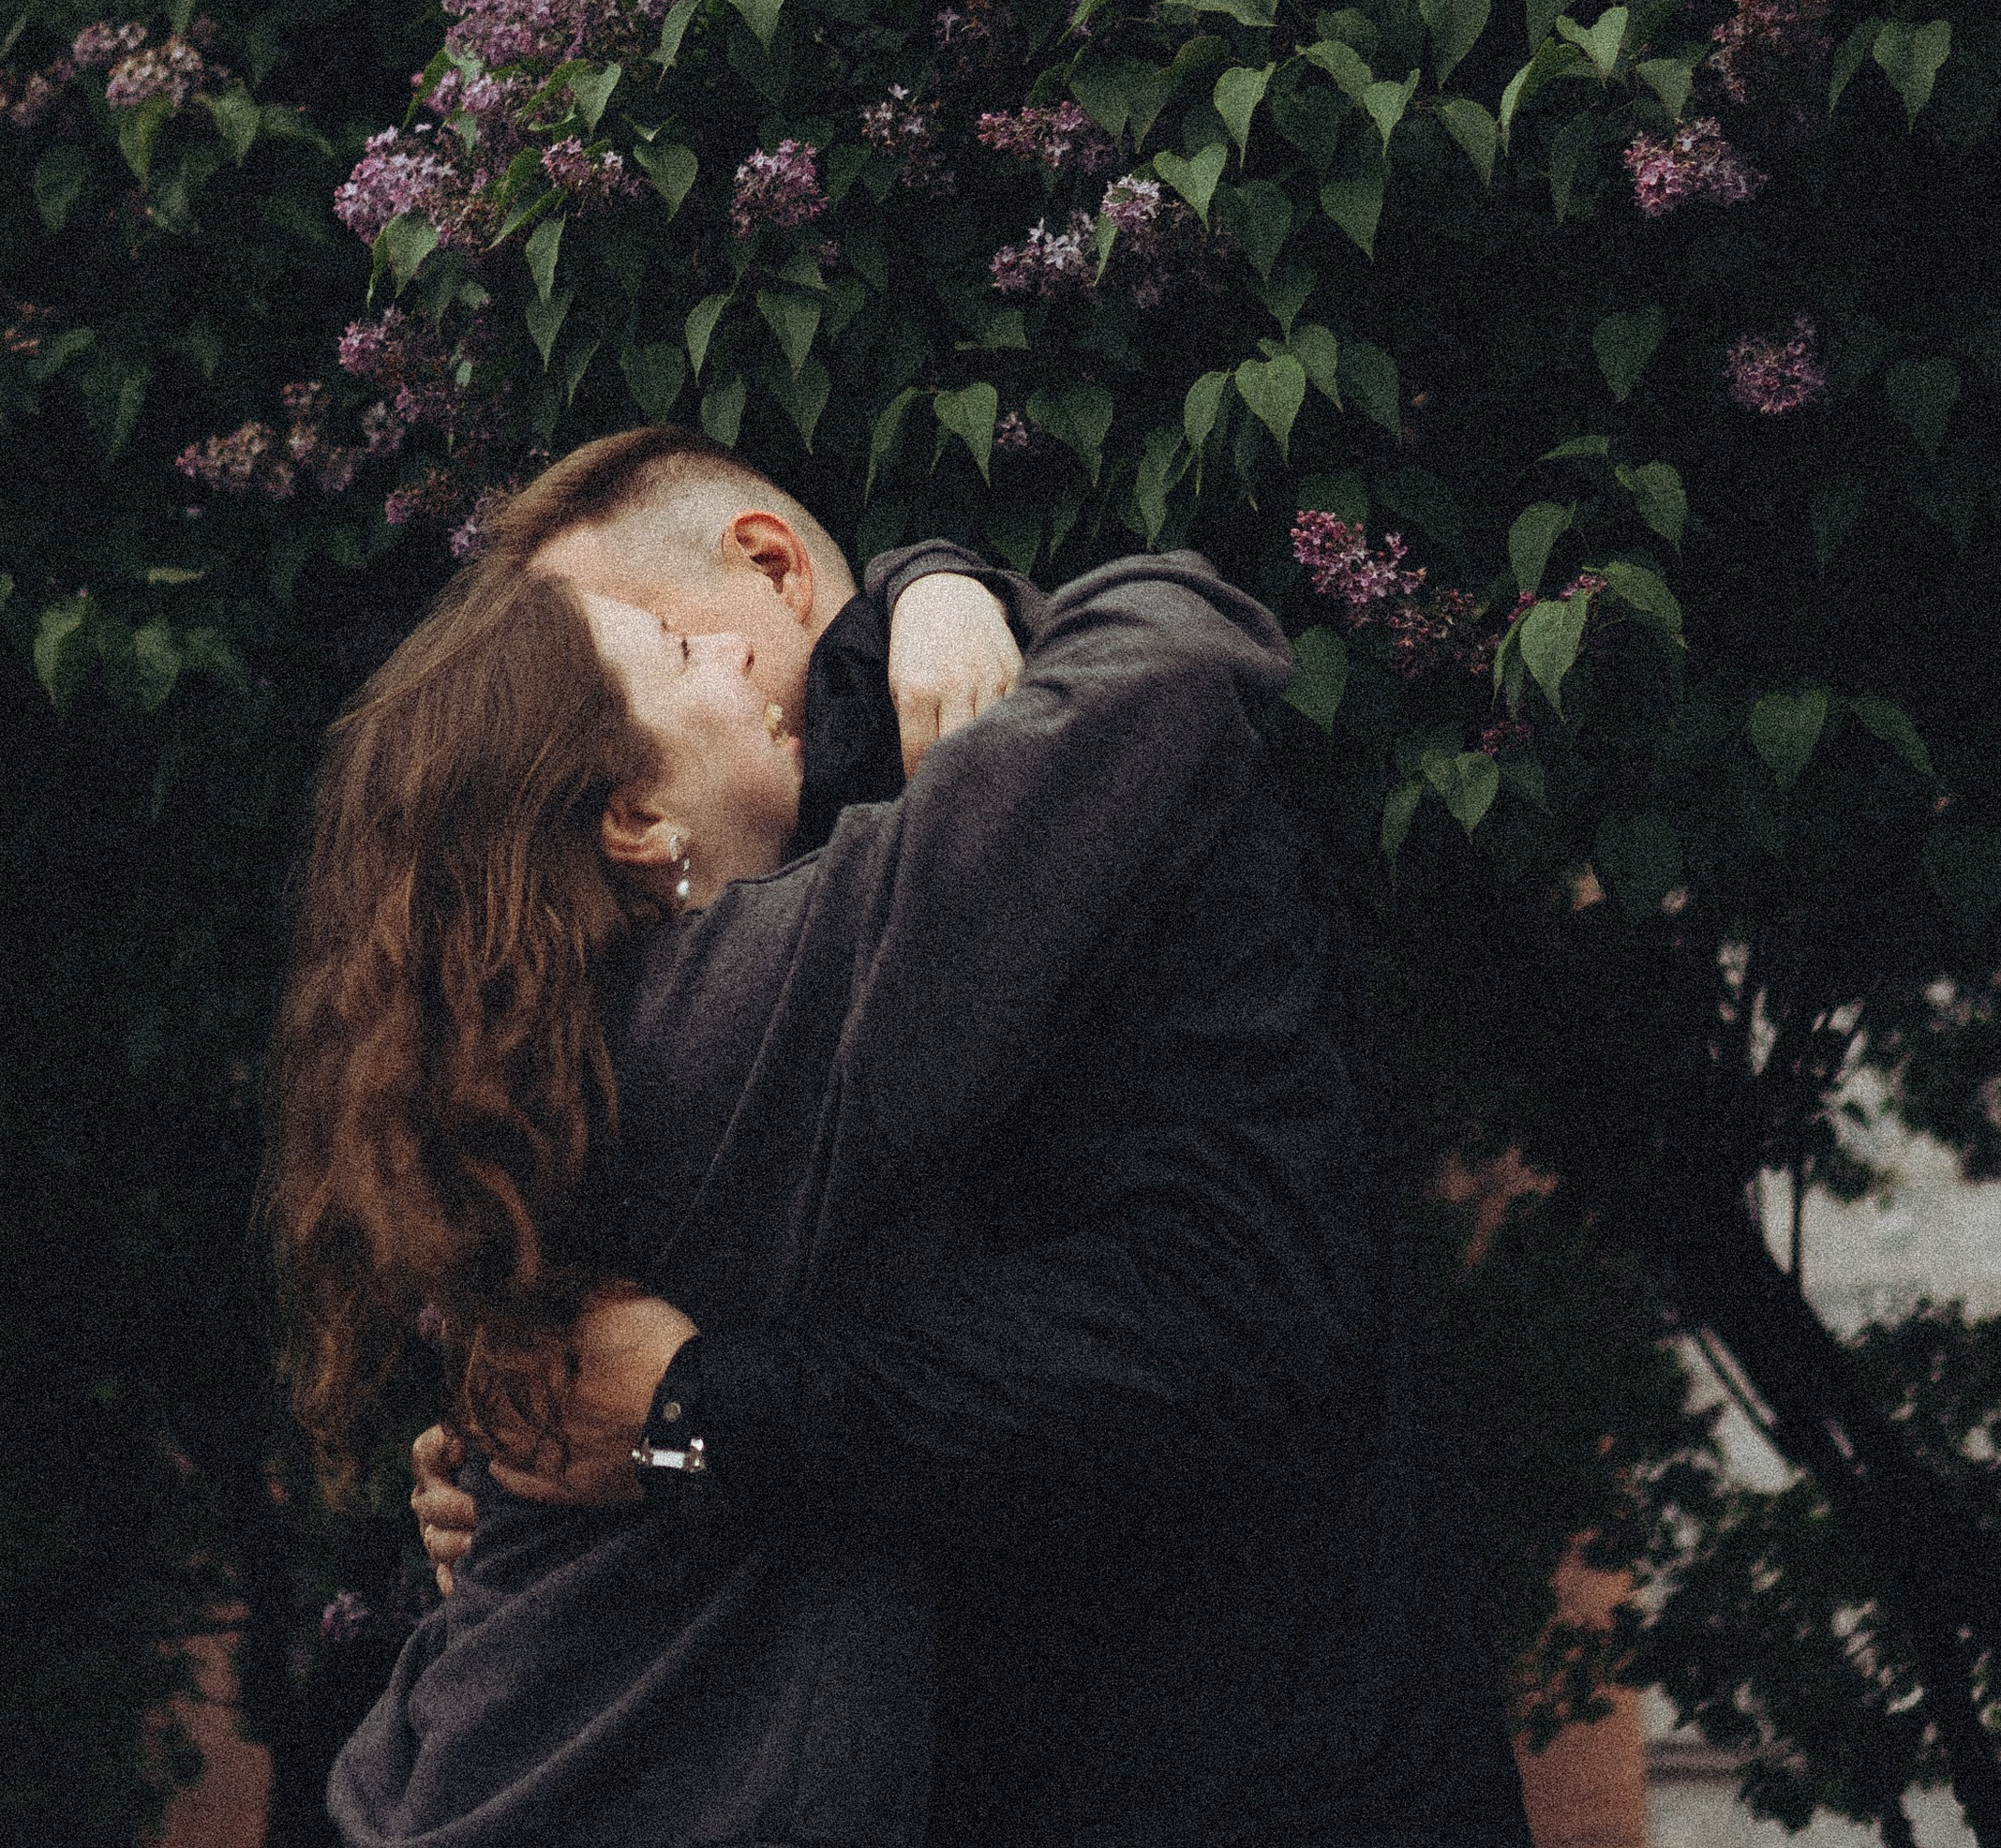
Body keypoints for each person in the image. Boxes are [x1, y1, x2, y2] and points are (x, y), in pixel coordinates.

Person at [409, 430, 1534, 1848]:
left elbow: (1244, 1314)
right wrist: (527, 1476)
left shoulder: (1076, 794)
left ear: (766, 565)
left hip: (1226, 1765)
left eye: (645, 649)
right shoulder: (716, 946)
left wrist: (703, 1414)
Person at [264, 489, 1290, 1848]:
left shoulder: (558, 1063)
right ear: (631, 814)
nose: (739, 658)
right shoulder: (728, 1016)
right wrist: (934, 592)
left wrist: (923, 572)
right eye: (680, 660)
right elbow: (1183, 651)